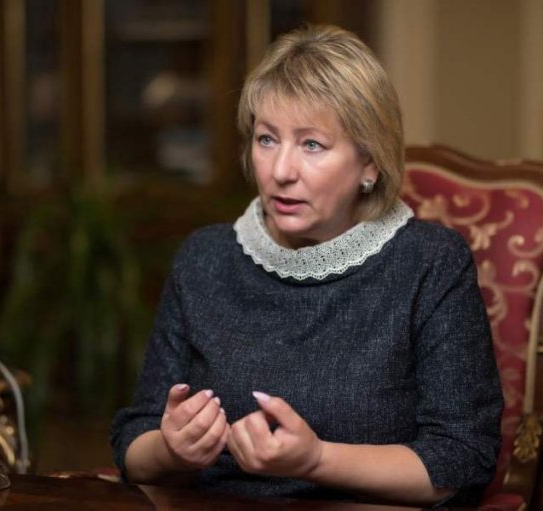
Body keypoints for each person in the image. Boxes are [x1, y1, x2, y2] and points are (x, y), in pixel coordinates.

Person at [110, 24, 502, 507]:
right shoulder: (205, 257)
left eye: (311, 144)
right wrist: (170, 449)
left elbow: (461, 460)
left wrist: (316, 460)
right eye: (266, 139)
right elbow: (135, 443)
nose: (280, 171)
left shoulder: (430, 263)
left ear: (370, 163)